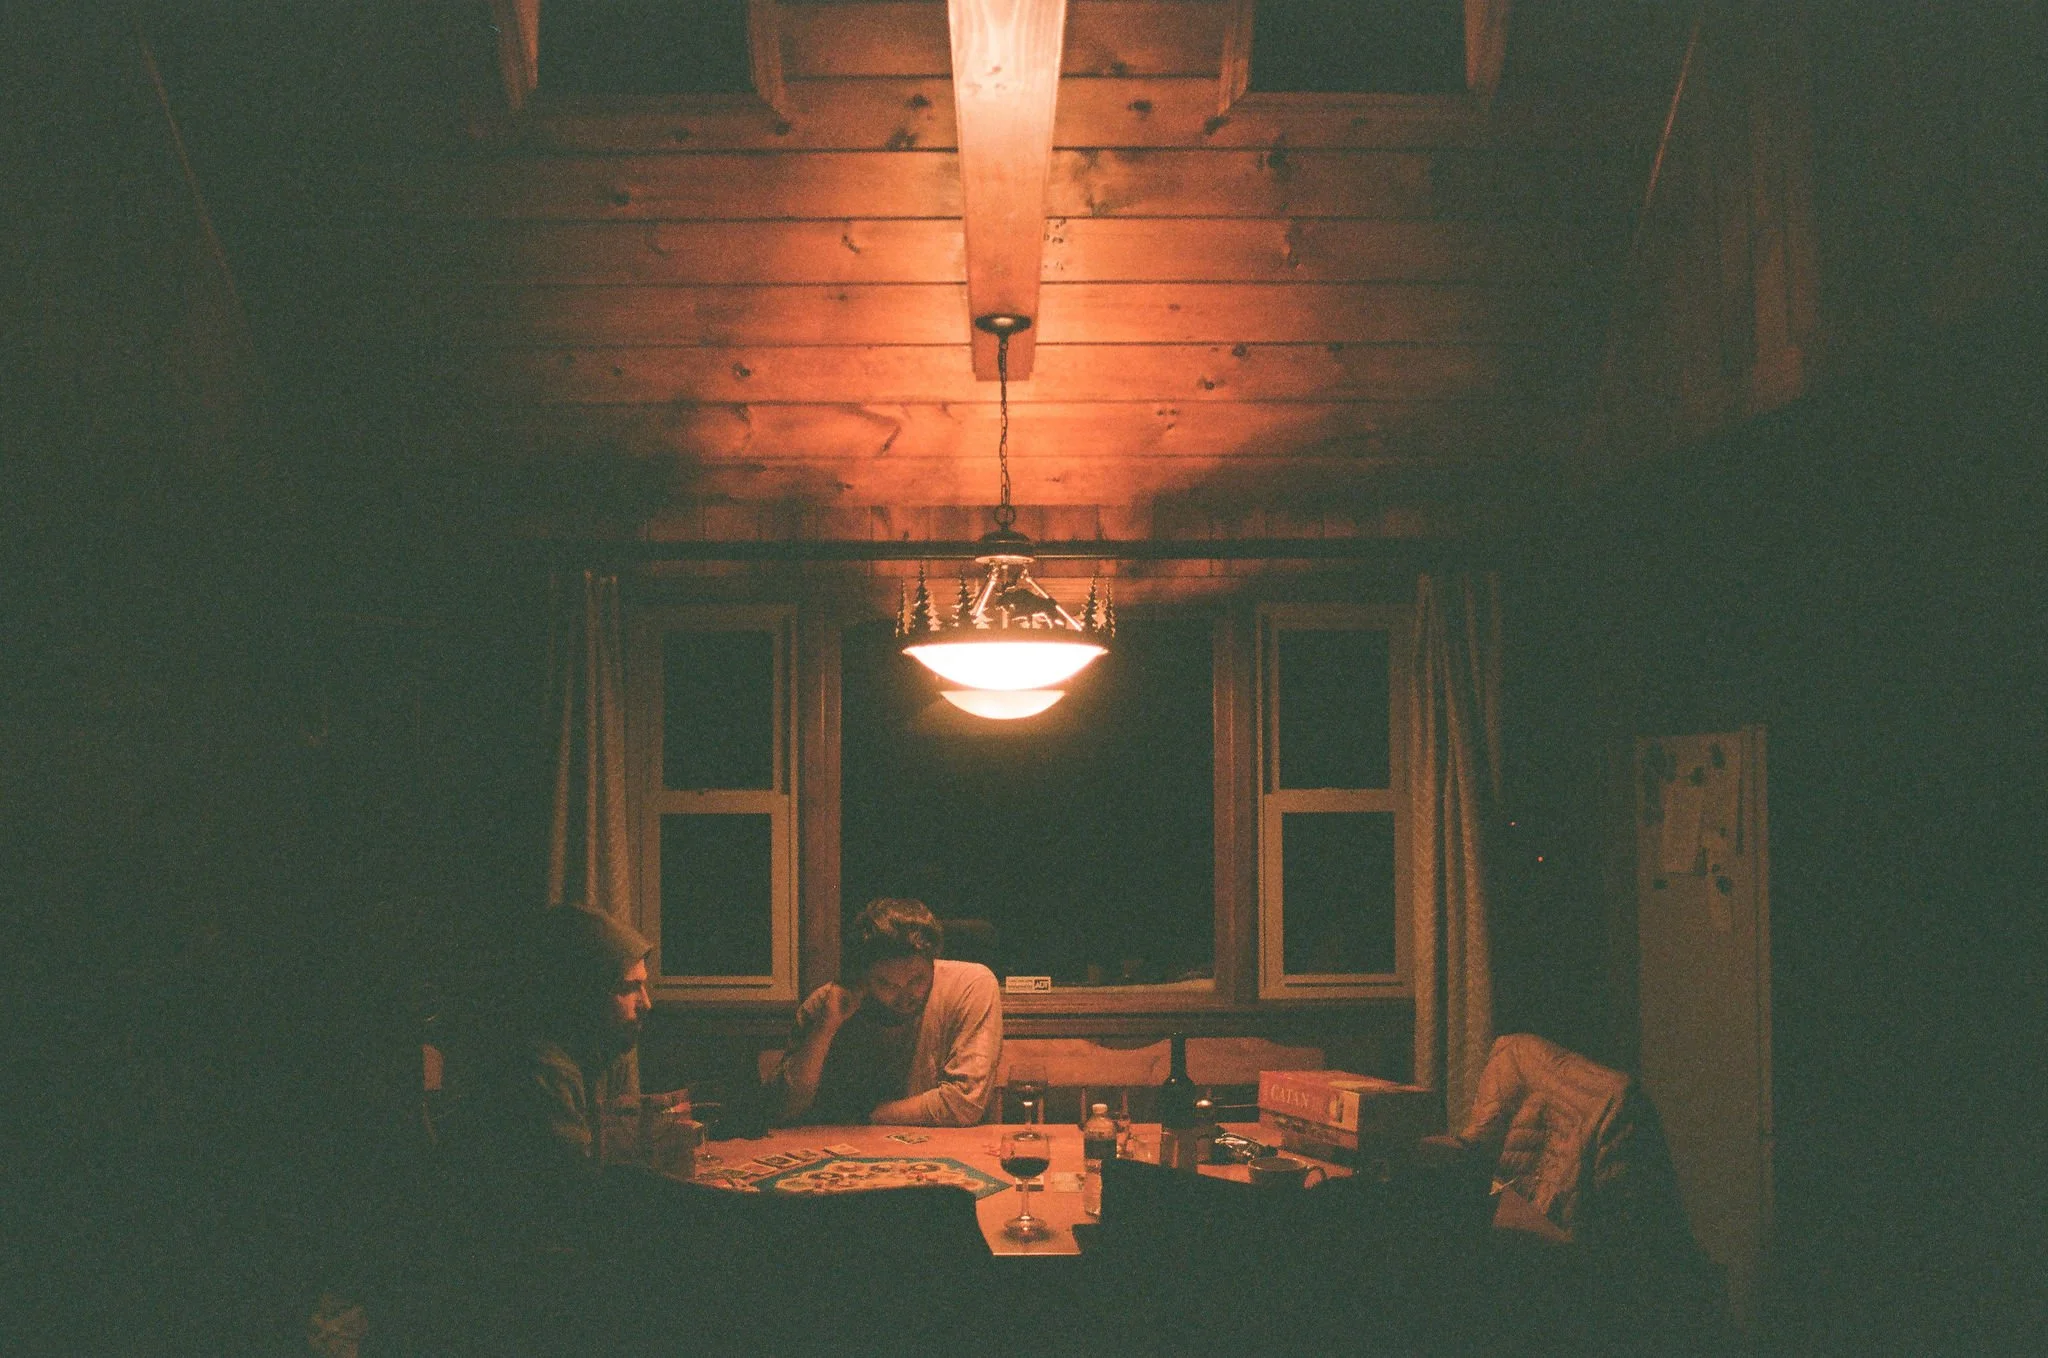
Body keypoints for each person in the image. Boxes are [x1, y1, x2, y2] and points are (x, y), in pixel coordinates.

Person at [770, 898, 1001, 1126]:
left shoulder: (971, 985)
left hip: (944, 1152)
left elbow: (963, 1103)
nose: (904, 995)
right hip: (850, 1157)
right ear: (864, 976)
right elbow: (783, 1107)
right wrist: (826, 1027)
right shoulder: (826, 1004)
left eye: (916, 980)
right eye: (887, 984)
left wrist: (865, 1117)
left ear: (934, 961)